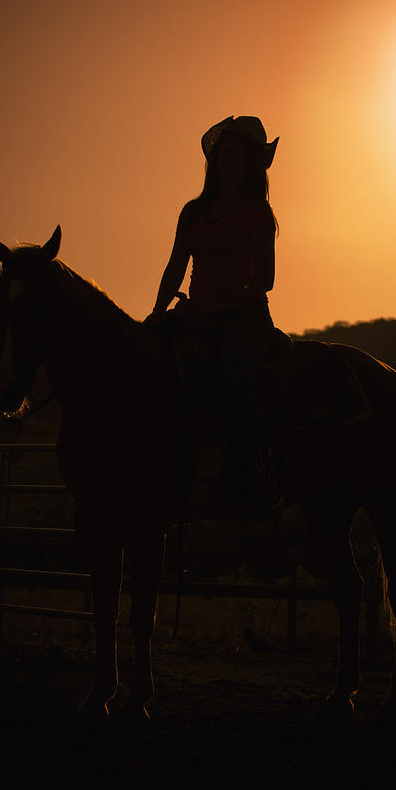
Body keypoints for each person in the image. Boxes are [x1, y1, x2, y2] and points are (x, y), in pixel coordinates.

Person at [148, 116, 284, 511]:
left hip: (243, 317)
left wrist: (222, 304)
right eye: (228, 152)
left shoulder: (258, 212)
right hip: (194, 314)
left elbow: (266, 280)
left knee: (236, 380)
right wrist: (158, 311)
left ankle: (258, 472)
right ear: (216, 158)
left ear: (252, 165)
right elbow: (175, 266)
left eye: (243, 156)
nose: (234, 161)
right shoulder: (193, 211)